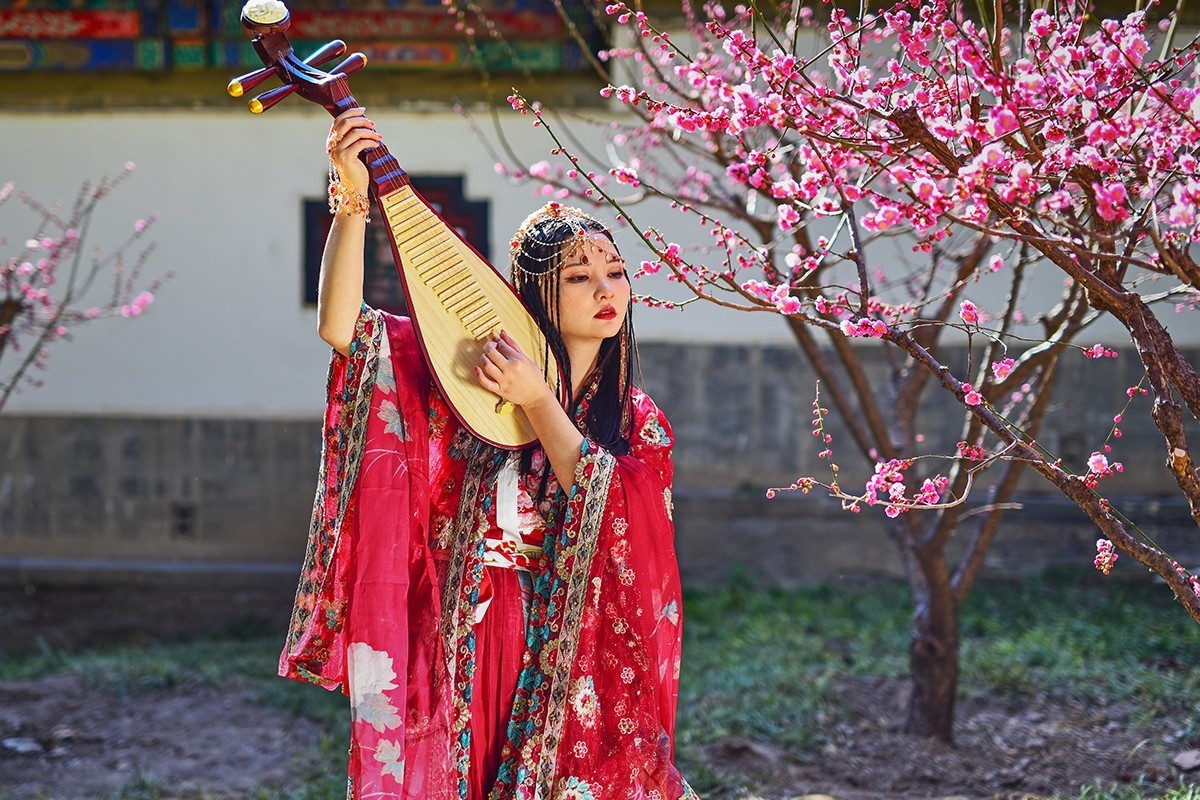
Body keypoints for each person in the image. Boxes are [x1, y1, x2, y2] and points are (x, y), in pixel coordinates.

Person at [277, 107, 698, 800]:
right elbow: (343, 328)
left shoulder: (637, 422)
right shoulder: (468, 375)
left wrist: (539, 400)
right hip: (460, 630)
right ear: (535, 292)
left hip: (572, 654)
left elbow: (616, 508)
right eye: (579, 278)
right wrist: (351, 197)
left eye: (616, 274)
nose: (606, 291)